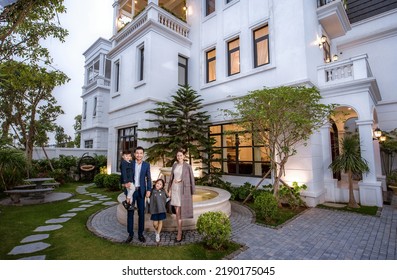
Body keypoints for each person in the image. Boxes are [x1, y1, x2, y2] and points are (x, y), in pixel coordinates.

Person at [124, 146, 152, 243]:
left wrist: (149, 190)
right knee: (130, 212)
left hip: (141, 191)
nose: (139, 155)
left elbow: (149, 178)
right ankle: (130, 234)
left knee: (141, 213)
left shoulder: (146, 165)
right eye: (137, 153)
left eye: (141, 153)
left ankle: (140, 234)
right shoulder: (130, 164)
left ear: (143, 154)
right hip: (131, 192)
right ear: (134, 154)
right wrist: (124, 184)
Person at [167, 149, 195, 242]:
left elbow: (191, 179)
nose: (179, 157)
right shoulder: (174, 165)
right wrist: (169, 190)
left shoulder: (187, 166)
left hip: (182, 190)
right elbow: (171, 178)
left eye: (181, 155)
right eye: (178, 155)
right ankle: (179, 230)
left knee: (179, 212)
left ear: (184, 156)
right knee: (177, 211)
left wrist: (192, 192)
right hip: (175, 189)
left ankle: (179, 232)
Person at [149, 178, 168, 243]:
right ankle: (157, 231)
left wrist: (167, 192)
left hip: (161, 209)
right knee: (155, 224)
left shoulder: (163, 192)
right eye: (158, 183)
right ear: (155, 183)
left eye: (160, 184)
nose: (158, 185)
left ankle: (158, 234)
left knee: (160, 222)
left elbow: (167, 198)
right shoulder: (152, 191)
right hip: (154, 210)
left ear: (162, 186)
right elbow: (148, 198)